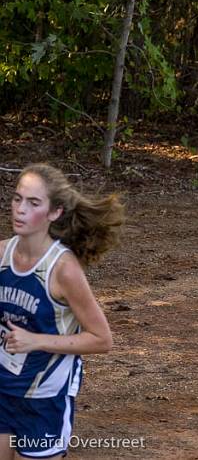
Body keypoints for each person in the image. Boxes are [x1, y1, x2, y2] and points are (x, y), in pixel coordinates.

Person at [1, 164, 124, 459]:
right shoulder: (1, 254)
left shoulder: (63, 270)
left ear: (54, 212)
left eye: (33, 203)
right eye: (17, 199)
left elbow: (102, 339)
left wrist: (36, 341)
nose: (20, 210)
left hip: (43, 401)